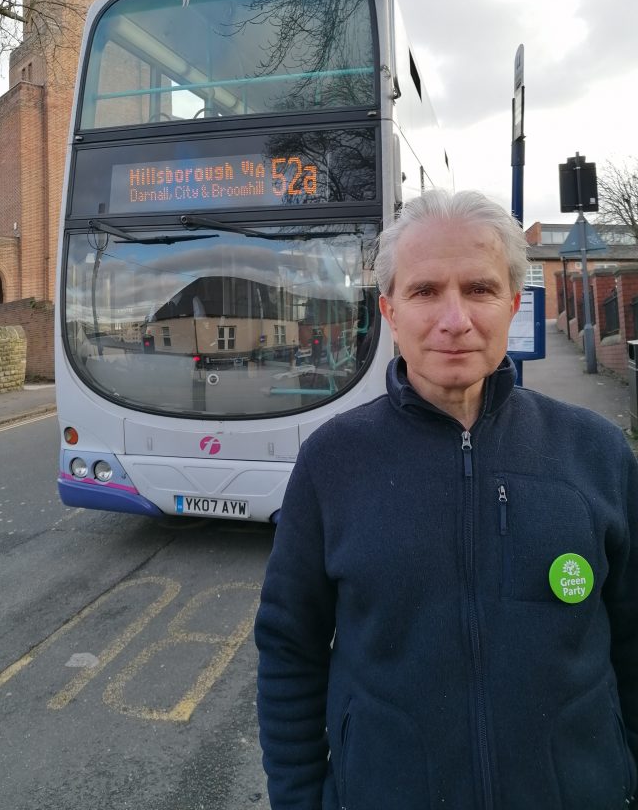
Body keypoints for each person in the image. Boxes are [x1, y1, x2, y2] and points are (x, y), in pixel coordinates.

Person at [255, 189, 638, 810]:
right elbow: (289, 651)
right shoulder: (333, 462)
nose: (454, 319)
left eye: (480, 289)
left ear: (513, 303)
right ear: (390, 311)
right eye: (426, 290)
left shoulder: (594, 453)